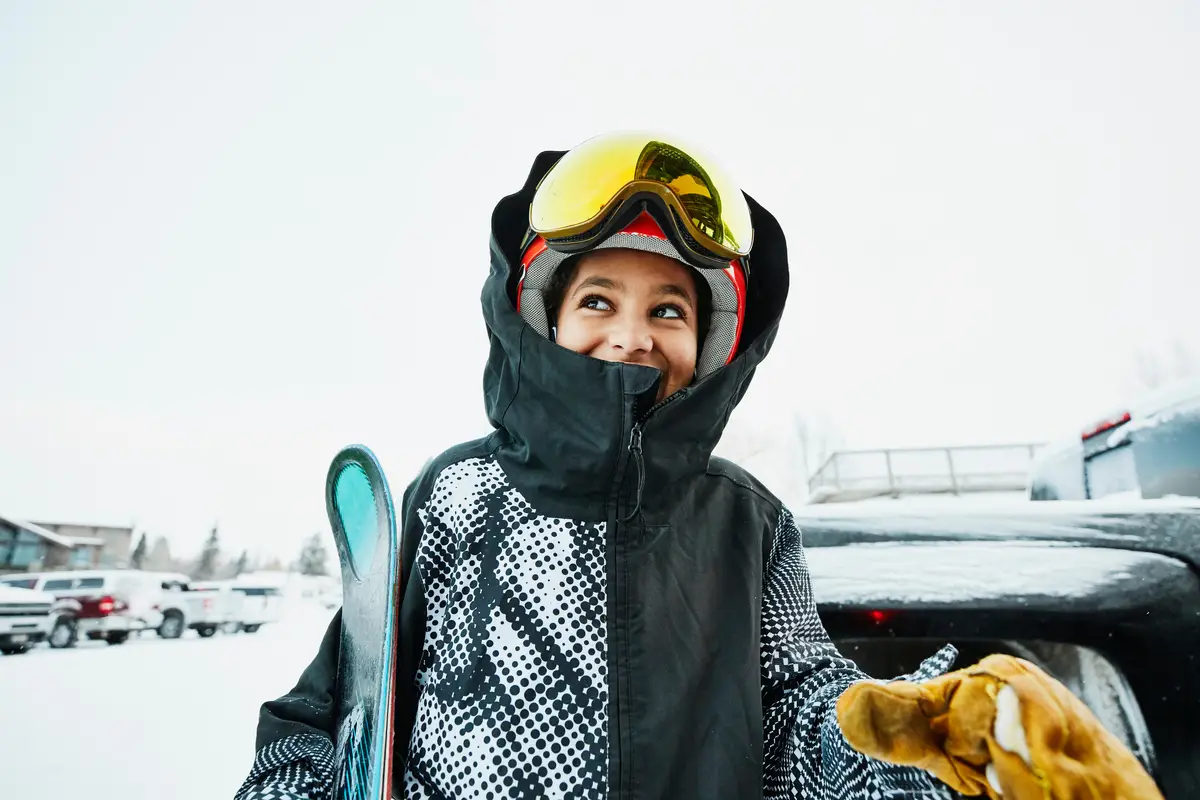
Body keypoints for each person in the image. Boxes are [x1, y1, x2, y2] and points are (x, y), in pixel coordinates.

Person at [235, 132, 1161, 800]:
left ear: (712, 341)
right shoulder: (453, 495)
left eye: (670, 311)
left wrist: (914, 741)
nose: (631, 335)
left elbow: (802, 712)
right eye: (598, 296)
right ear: (542, 315)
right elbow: (328, 719)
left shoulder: (749, 525)